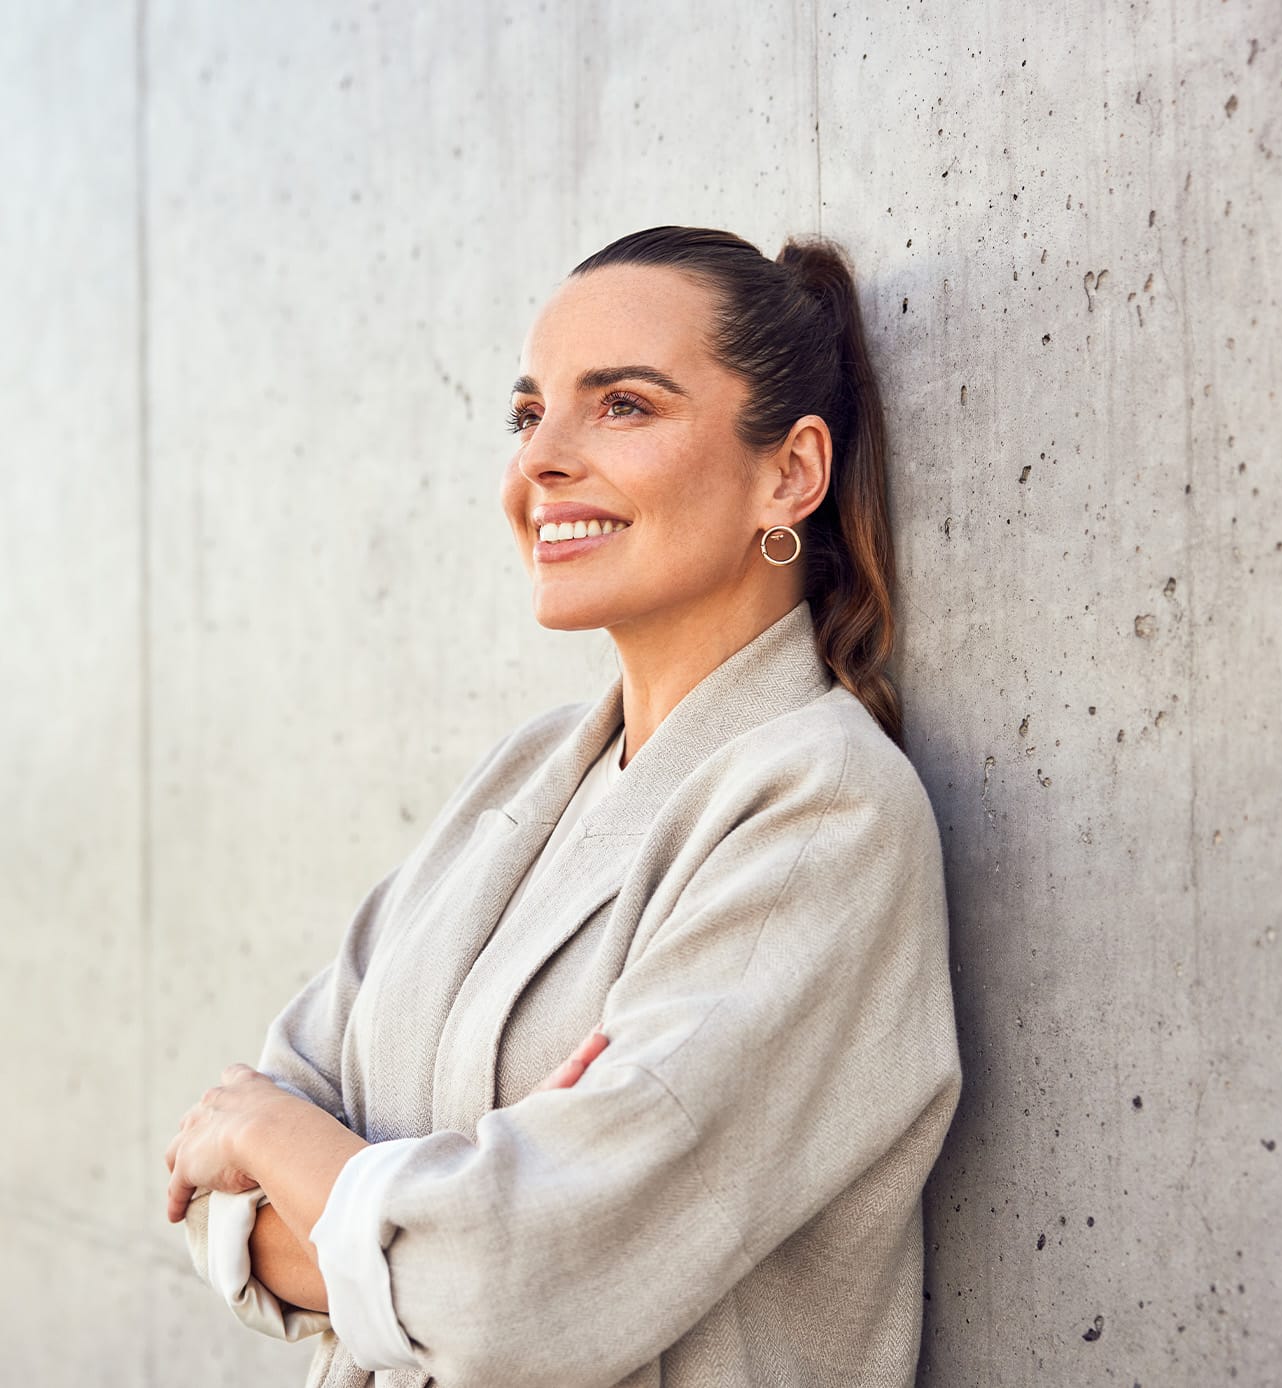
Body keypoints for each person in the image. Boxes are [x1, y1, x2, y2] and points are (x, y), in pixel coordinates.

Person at [165, 225, 962, 1388]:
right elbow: (214, 1200)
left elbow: (511, 1286)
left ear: (788, 471)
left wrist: (288, 1146)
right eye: (527, 413)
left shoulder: (823, 815)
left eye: (622, 405)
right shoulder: (523, 778)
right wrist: (425, 1206)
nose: (542, 458)